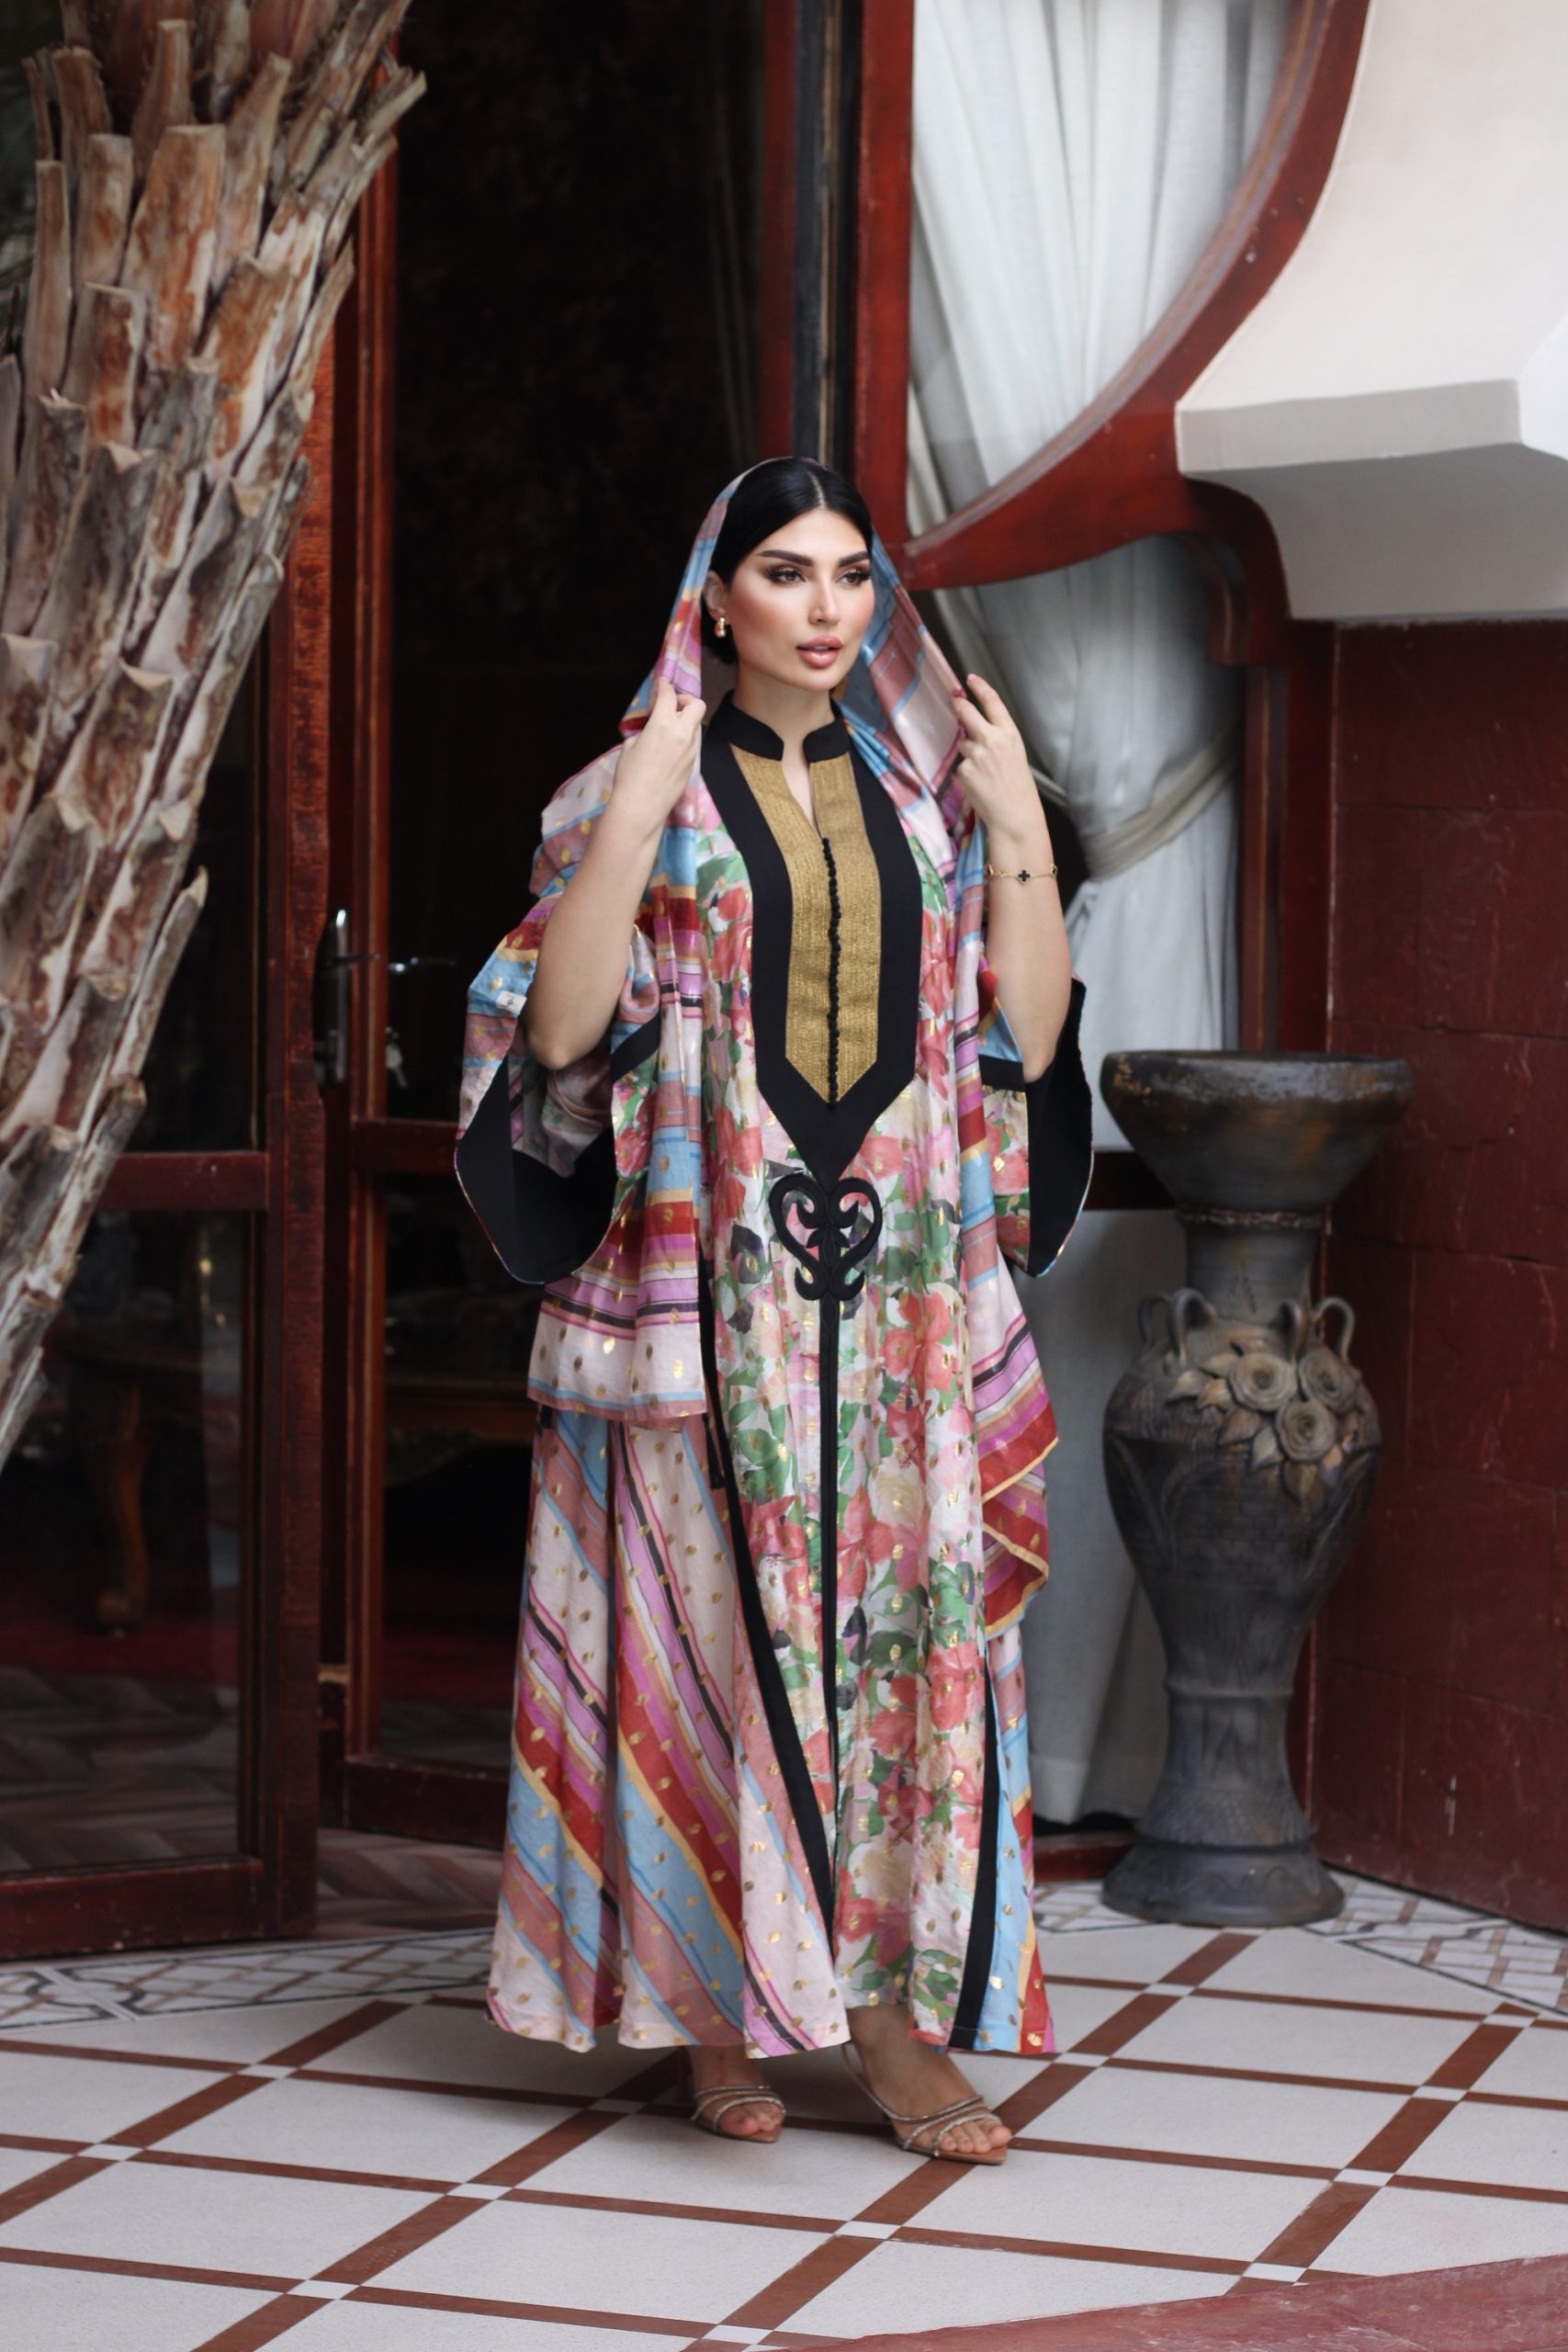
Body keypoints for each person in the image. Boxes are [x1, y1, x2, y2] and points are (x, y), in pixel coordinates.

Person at [457, 458, 1091, 2163]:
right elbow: (561, 1037)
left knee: (894, 1642)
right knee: (705, 1636)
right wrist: (639, 803)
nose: (828, 609)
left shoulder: (925, 803)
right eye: (789, 574)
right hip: (704, 1298)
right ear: (717, 599)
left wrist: (1020, 828)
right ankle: (708, 2011)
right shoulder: (625, 791)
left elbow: (1022, 1043)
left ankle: (886, 2019)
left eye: (852, 577)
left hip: (896, 1312)